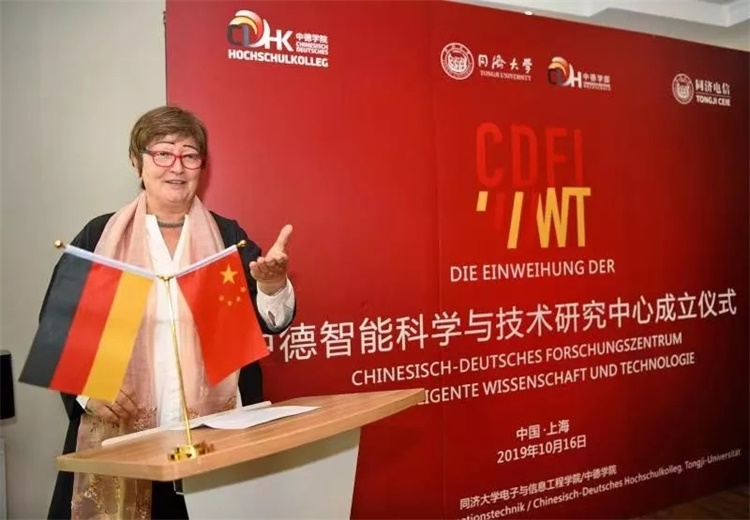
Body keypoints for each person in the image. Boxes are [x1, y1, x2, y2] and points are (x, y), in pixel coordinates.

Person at [44, 105, 296, 519]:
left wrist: (272, 286)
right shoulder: (101, 237)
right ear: (136, 162)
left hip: (214, 437)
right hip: (124, 439)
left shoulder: (226, 238)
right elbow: (56, 328)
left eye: (189, 155)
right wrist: (88, 388)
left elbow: (272, 320)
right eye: (163, 153)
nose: (177, 167)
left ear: (202, 166)